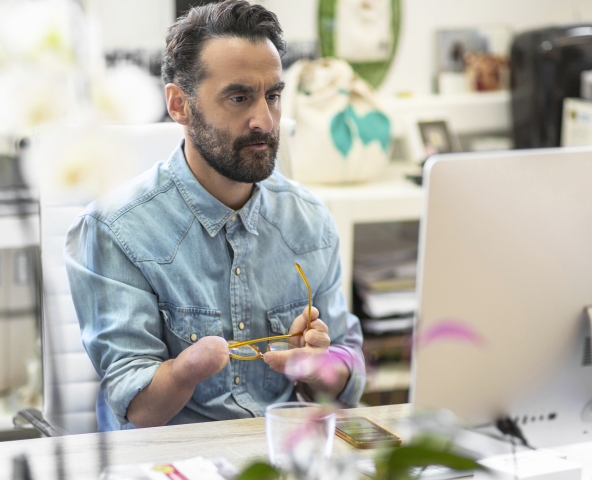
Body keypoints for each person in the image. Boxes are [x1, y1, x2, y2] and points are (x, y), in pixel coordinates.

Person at [64, 0, 366, 431]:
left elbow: (348, 365)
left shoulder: (310, 221)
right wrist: (188, 368)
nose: (264, 120)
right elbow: (138, 410)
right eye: (239, 97)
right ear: (179, 105)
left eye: (274, 96)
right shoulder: (114, 229)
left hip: (282, 454)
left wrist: (322, 368)